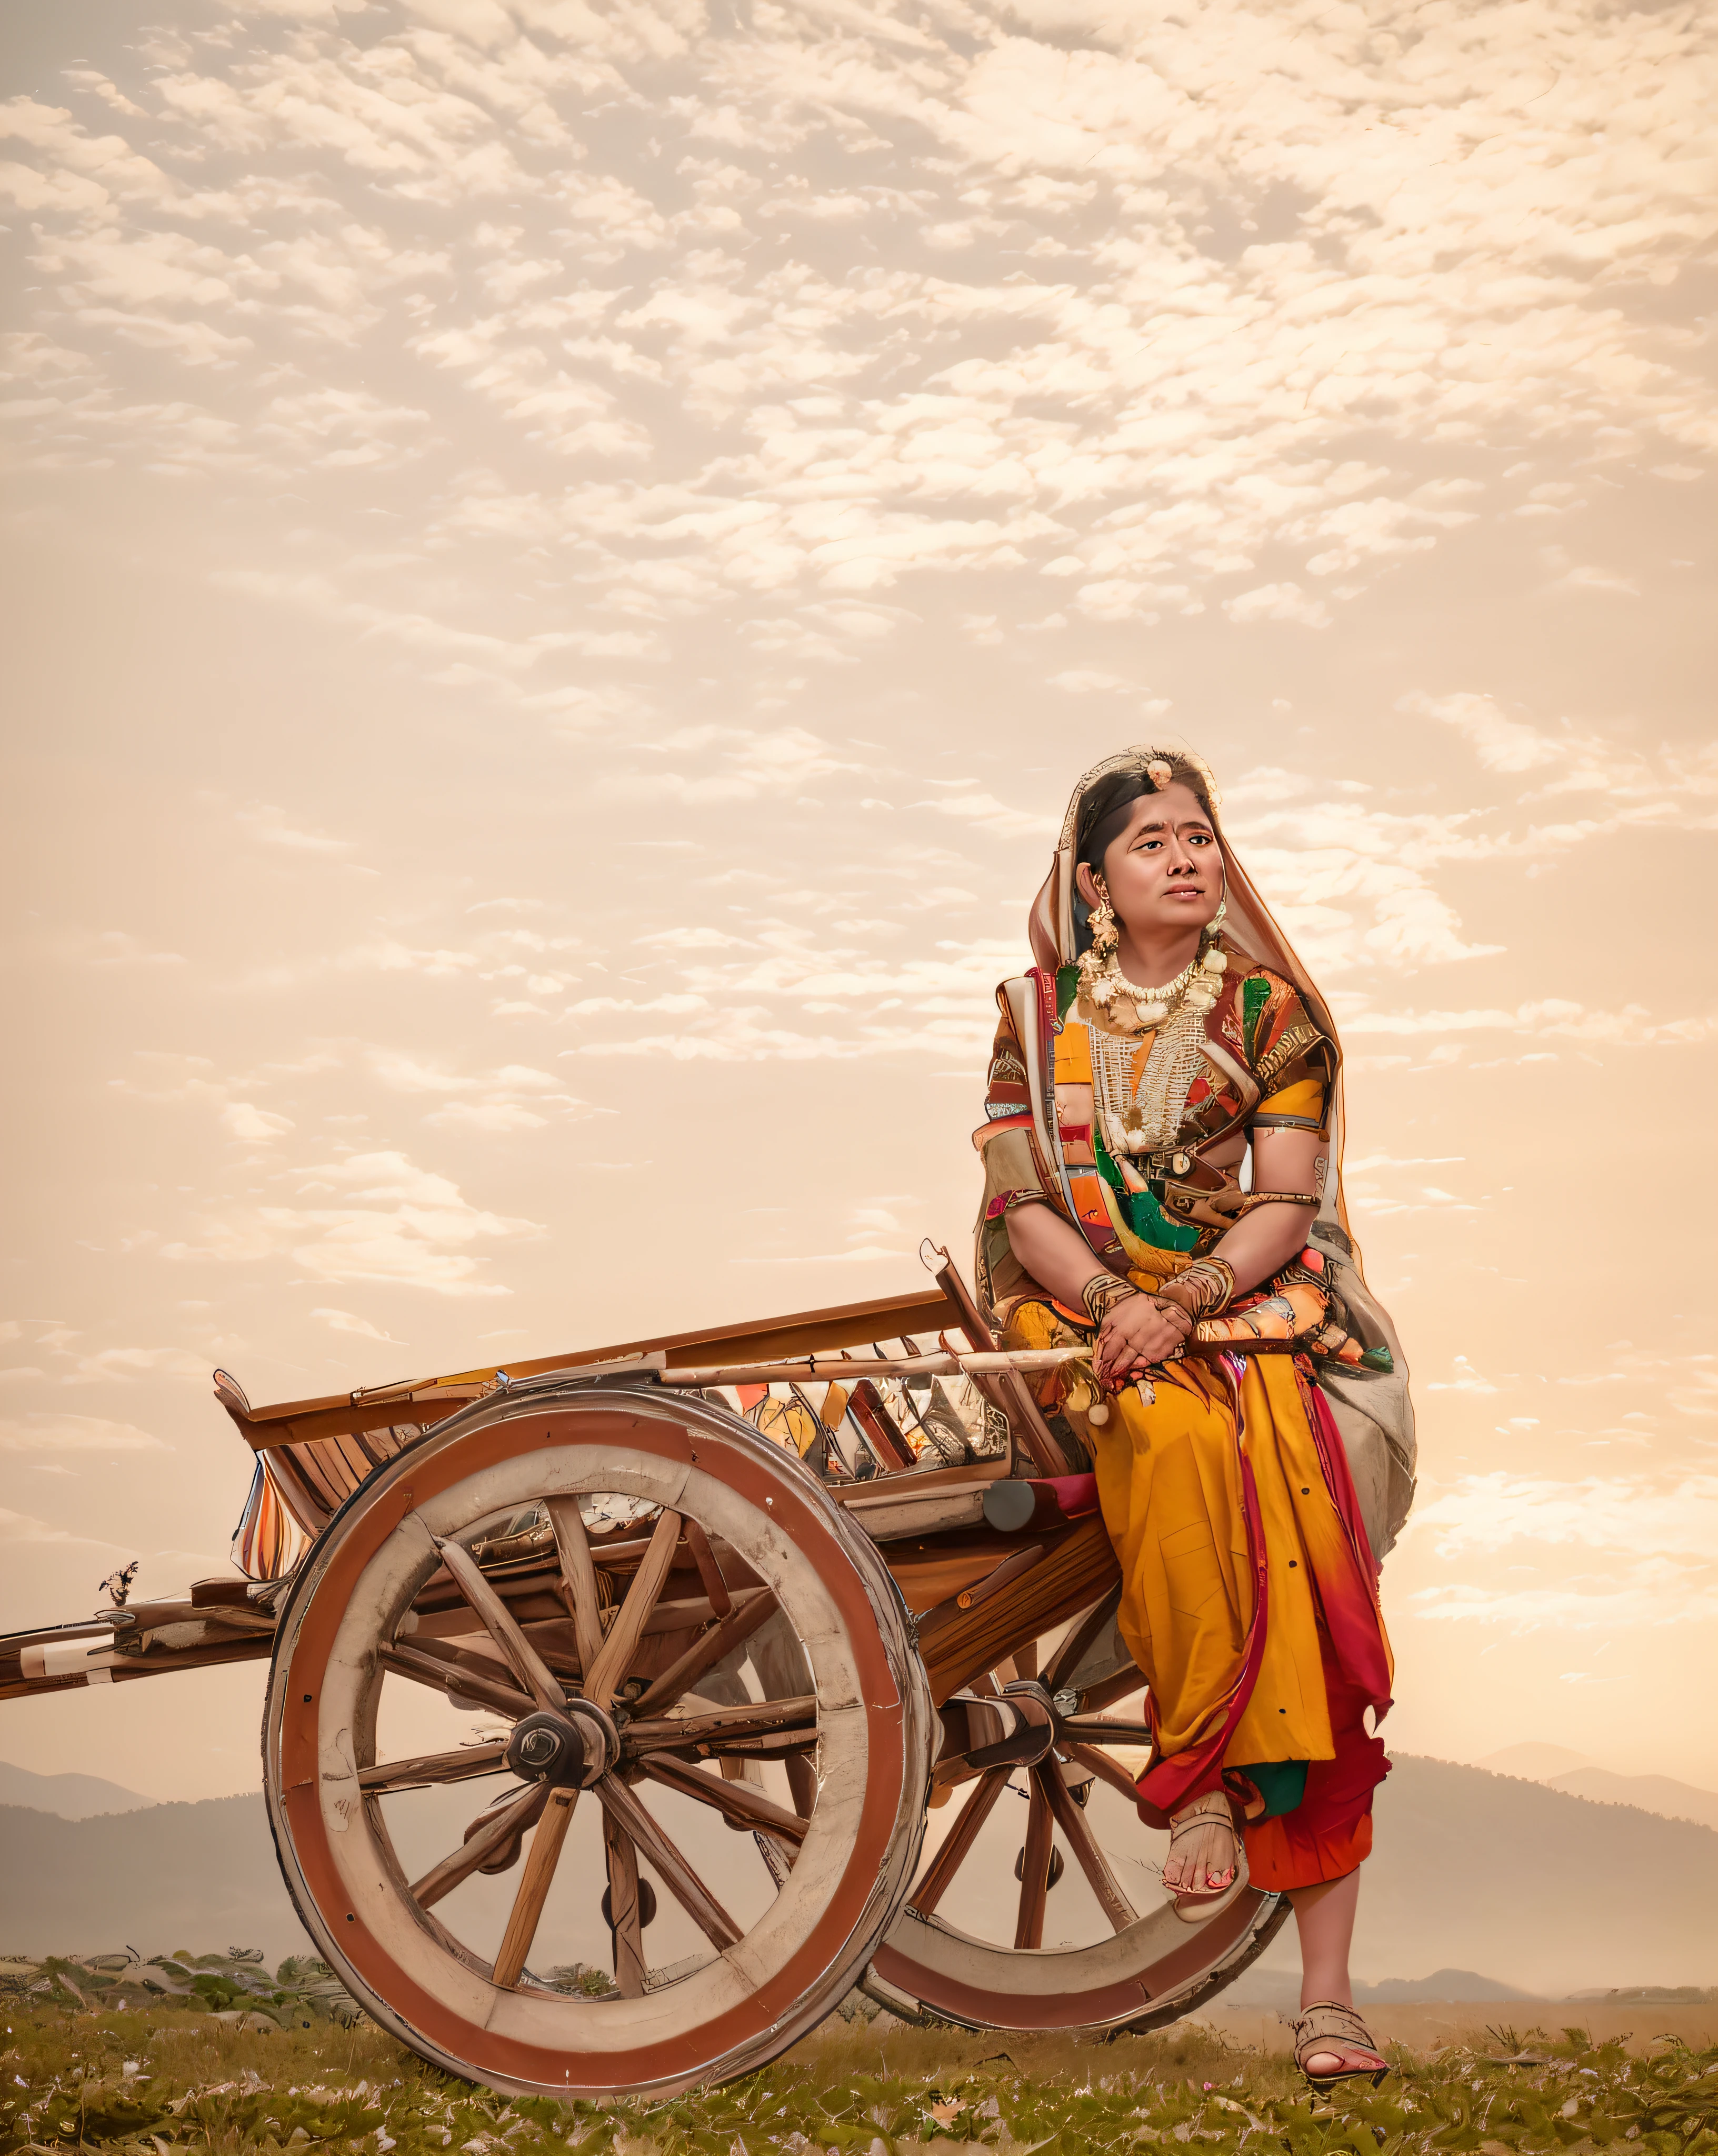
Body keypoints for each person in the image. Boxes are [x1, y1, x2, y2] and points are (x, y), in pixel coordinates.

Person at [973, 747, 1417, 2089]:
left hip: (1254, 1307)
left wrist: (1190, 1299)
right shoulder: (1033, 1011)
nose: (1185, 855)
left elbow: (1289, 1199)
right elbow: (1020, 1204)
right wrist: (1118, 1298)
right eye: (1151, 840)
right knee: (1168, 1436)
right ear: (1095, 880)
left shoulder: (1276, 1012)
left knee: (1308, 1521)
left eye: (1200, 835)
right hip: (1078, 1312)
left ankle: (1328, 1995)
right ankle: (1204, 1768)